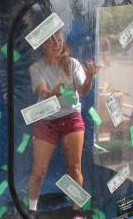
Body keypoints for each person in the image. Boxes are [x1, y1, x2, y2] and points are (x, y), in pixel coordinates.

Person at [28, 31, 98, 218]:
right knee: (39, 171)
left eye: (58, 39)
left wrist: (90, 76)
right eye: (51, 40)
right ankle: (31, 211)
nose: (56, 43)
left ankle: (77, 211)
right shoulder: (36, 68)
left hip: (71, 116)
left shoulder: (73, 64)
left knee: (74, 168)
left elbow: (83, 91)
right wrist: (53, 93)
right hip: (46, 119)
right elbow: (42, 91)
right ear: (43, 45)